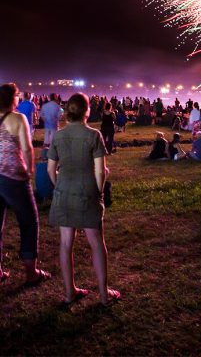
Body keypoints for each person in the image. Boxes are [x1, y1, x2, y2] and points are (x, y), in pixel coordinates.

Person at [47, 93, 119, 306]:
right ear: (87, 111)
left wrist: (58, 184)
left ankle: (70, 293)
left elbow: (51, 169)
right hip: (87, 192)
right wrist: (99, 192)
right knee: (96, 242)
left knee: (66, 244)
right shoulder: (94, 135)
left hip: (64, 192)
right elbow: (100, 171)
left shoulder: (58, 136)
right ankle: (104, 295)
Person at [0, 83, 51, 285]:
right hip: (13, 177)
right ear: (12, 99)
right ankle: (31, 272)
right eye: (17, 96)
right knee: (29, 221)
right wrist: (29, 171)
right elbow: (28, 149)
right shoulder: (18, 118)